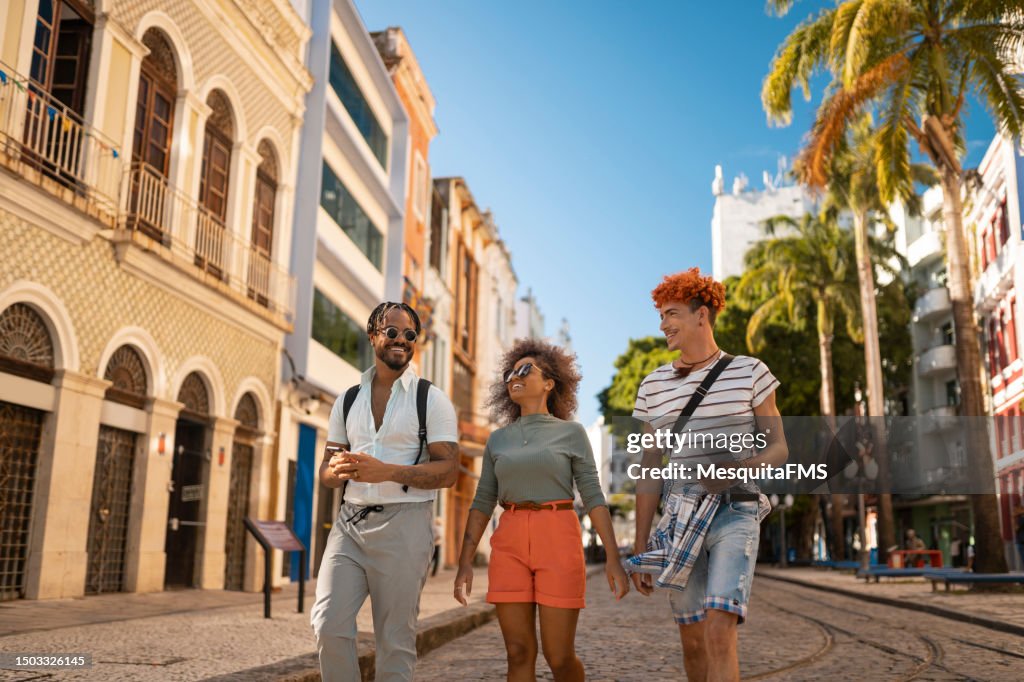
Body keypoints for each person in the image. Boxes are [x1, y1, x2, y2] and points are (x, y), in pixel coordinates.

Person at [628, 268, 788, 682]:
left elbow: (778, 447)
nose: (664, 324)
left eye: (672, 313)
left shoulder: (750, 371)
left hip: (736, 511)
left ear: (702, 315)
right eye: (661, 316)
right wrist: (641, 543)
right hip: (679, 515)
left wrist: (737, 469)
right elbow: (649, 470)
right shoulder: (653, 385)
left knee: (720, 630)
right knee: (692, 641)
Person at [454, 339, 630, 681]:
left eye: (525, 370)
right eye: (510, 372)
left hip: (558, 537)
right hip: (510, 541)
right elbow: (481, 502)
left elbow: (593, 496)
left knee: (559, 656)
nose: (514, 377)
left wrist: (613, 557)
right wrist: (464, 561)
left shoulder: (571, 433)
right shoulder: (497, 440)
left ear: (550, 383)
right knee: (517, 652)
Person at [311, 302, 459, 682]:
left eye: (410, 335)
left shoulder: (431, 399)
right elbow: (327, 473)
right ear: (373, 335)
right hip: (350, 524)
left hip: (406, 525)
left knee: (394, 642)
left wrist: (387, 472)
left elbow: (449, 471)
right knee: (328, 625)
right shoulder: (347, 399)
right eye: (392, 331)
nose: (401, 340)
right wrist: (336, 470)